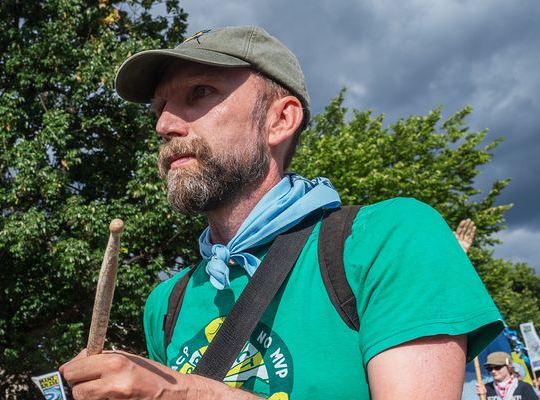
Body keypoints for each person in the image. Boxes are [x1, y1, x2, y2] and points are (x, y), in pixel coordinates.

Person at [59, 25, 503, 399]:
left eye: (199, 92)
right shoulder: (167, 303)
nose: (164, 125)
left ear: (280, 120)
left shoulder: (389, 238)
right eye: (159, 109)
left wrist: (180, 391)